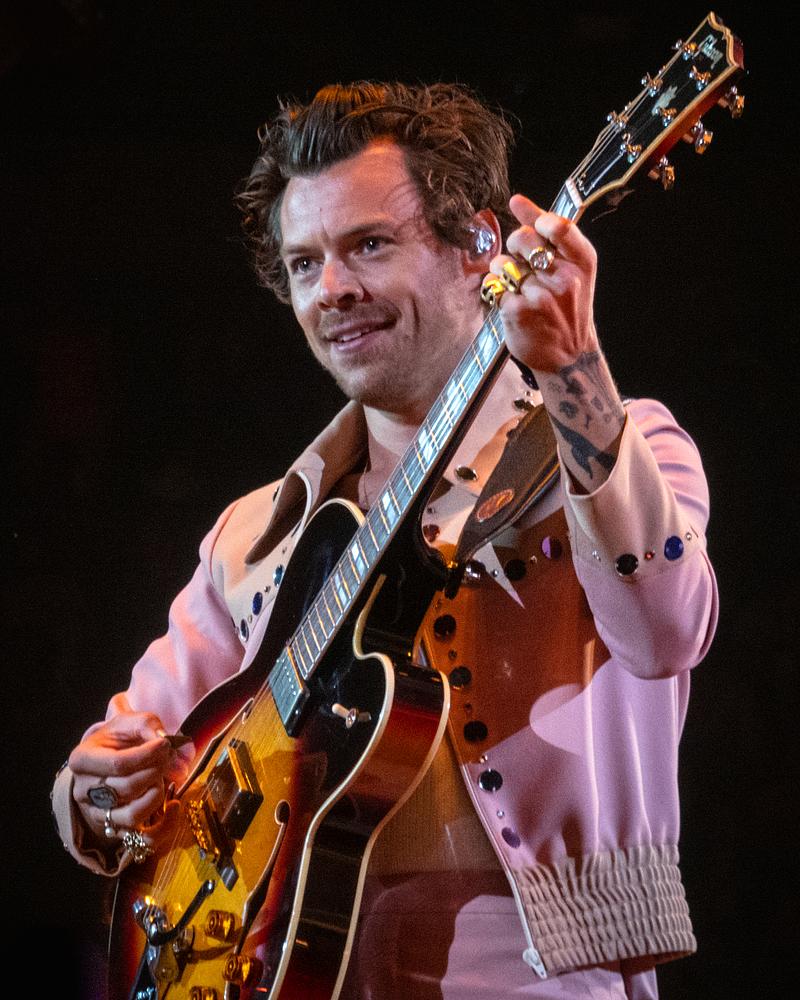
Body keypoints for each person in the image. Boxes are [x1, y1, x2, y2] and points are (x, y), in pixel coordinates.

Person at [51, 82, 718, 999]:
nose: (333, 289)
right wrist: (99, 792)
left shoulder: (617, 443)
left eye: (369, 245)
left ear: (479, 246)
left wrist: (574, 368)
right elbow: (116, 759)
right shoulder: (255, 532)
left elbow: (667, 634)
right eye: (304, 263)